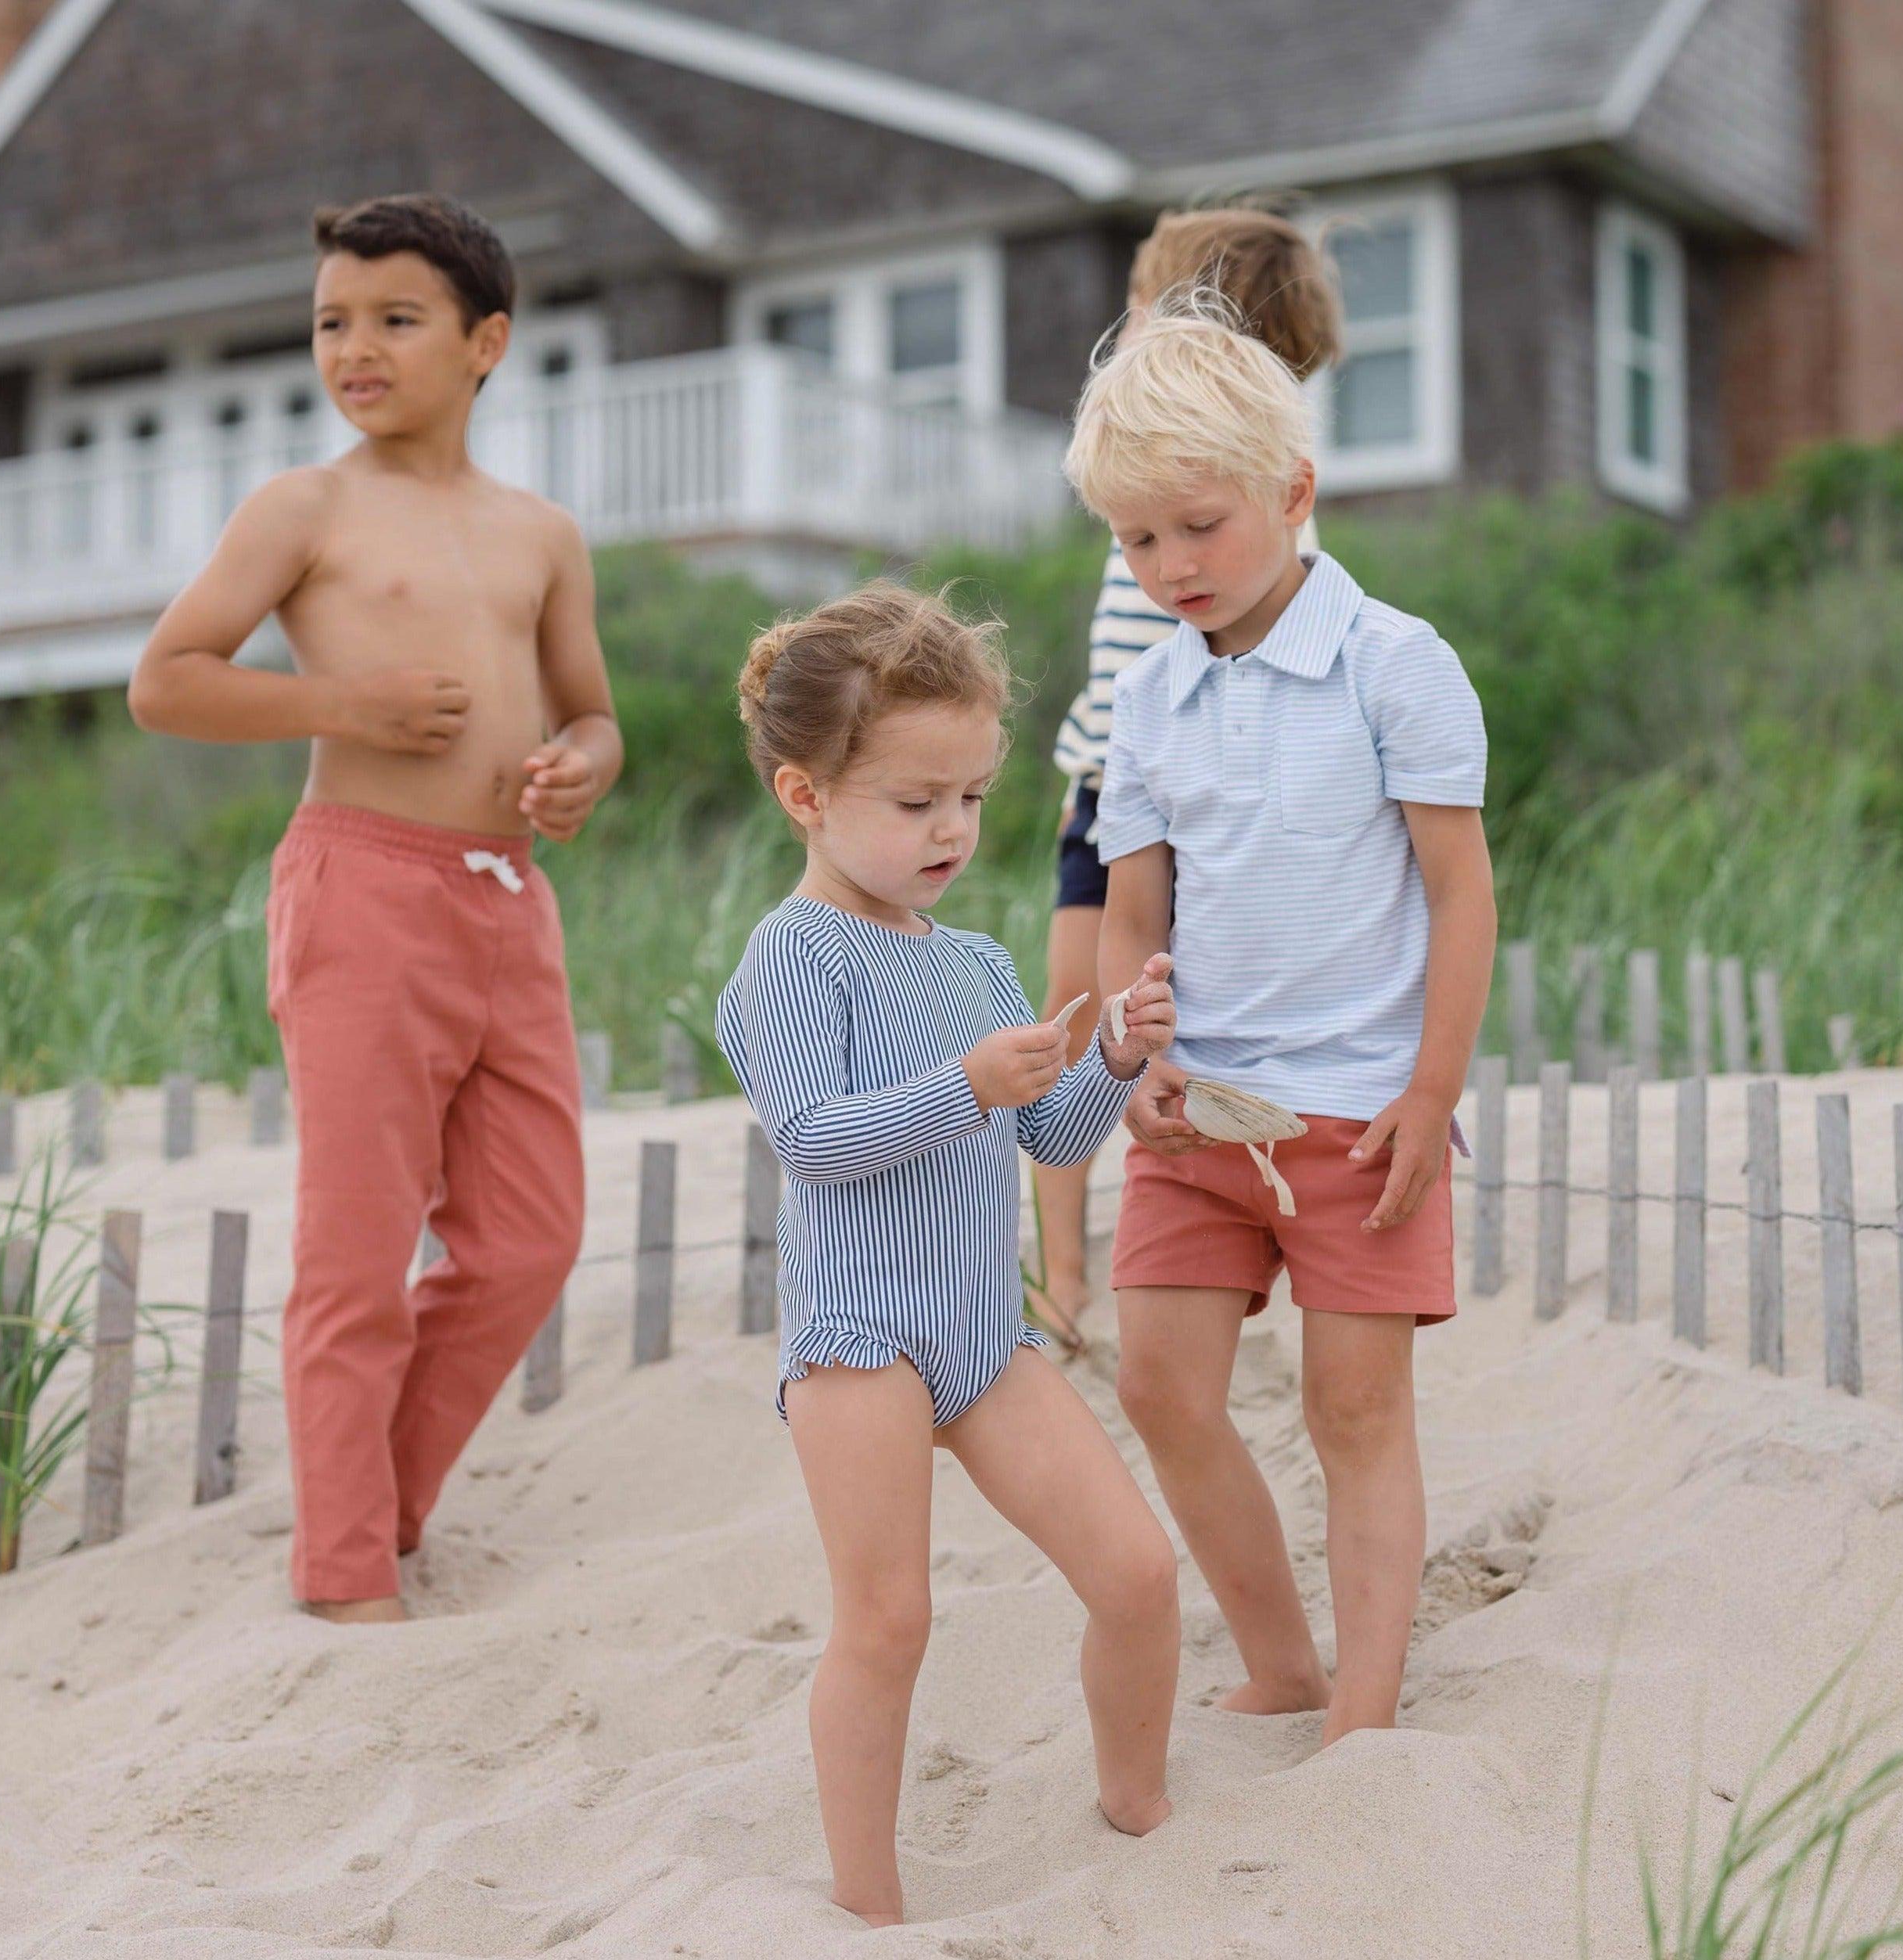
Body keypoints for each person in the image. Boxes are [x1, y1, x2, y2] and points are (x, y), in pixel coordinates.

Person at [128, 192, 622, 1622]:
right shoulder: (306, 507)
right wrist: (345, 701)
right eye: (334, 321)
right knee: (354, 1252)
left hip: (508, 905)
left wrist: (577, 772)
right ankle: (348, 1574)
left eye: (395, 320)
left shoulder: (542, 533)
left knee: (530, 1237)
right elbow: (168, 678)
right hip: (361, 889)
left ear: (485, 344)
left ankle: (380, 1508)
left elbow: (593, 714)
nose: (356, 346)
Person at [1064, 294, 1496, 1745]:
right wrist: (1137, 1049)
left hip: (1363, 1110)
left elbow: (1460, 894)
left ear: (1291, 493)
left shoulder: (1396, 660)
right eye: (1135, 540)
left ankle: (1361, 1717)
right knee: (1159, 1384)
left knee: (1353, 1411)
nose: (1168, 565)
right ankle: (1283, 1658)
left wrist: (1430, 1097)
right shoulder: (1148, 693)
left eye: (1198, 526)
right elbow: (1134, 908)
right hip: (1198, 1111)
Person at [714, 583, 1179, 1926]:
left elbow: (1049, 1133)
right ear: (806, 795)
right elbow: (812, 1137)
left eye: (970, 797)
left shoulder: (975, 960)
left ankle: (1135, 1803)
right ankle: (864, 1898)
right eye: (914, 802)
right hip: (860, 1340)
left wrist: (1112, 1053)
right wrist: (965, 1085)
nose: (952, 831)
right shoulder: (794, 955)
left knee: (1137, 1574)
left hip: (982, 1338)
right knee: (889, 1620)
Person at [1034, 206, 1341, 1347]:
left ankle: (1221, 1225)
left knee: (1168, 1020)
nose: (1127, 329)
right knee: (1078, 1024)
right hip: (1102, 796)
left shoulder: (1249, 524)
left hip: (1198, 815)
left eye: (1145, 307)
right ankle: (1062, 1271)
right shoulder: (1155, 507)